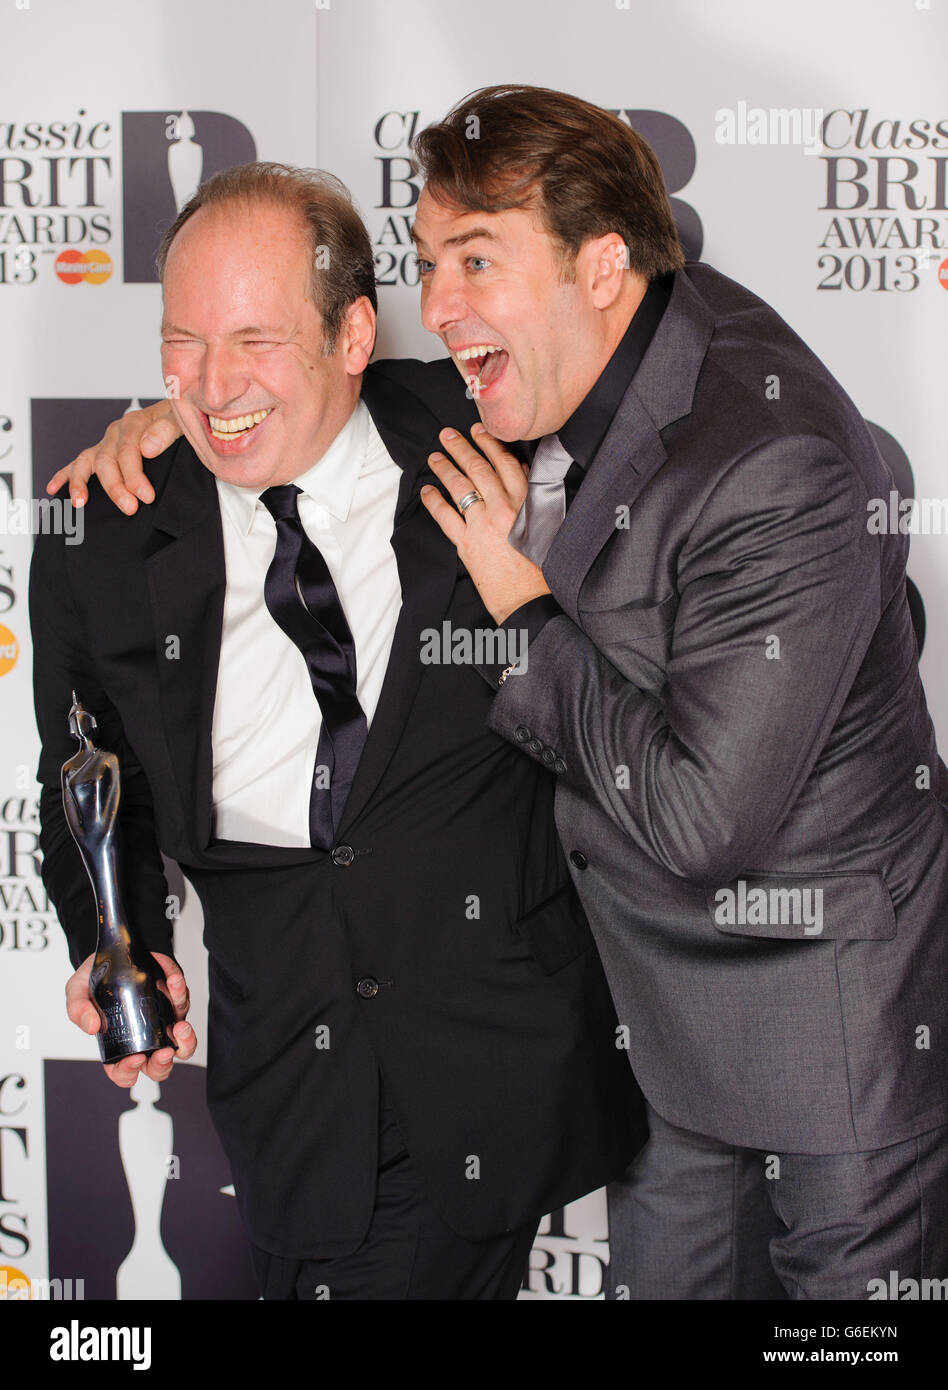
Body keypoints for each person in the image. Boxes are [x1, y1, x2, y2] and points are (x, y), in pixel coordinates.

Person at [55, 86, 948, 1301]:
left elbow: (705, 798)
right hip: (575, 1052)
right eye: (435, 262)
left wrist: (515, 600)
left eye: (478, 259)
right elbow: (91, 775)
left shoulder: (561, 443)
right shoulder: (126, 512)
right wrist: (196, 402)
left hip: (804, 1017)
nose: (449, 303)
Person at [30, 160, 643, 1302]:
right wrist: (116, 939)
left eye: (257, 340)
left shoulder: (484, 428)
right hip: (291, 1085)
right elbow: (86, 781)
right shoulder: (97, 528)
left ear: (355, 334)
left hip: (502, 1057)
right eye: (185, 342)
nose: (213, 387)